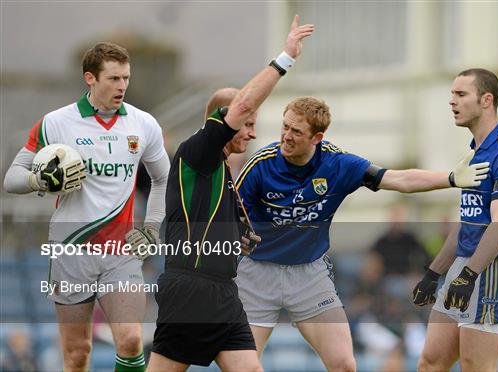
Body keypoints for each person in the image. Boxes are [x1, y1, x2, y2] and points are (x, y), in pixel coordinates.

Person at [234, 95, 491, 371]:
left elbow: (398, 179)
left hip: (309, 277)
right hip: (258, 274)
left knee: (345, 365)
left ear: (316, 137)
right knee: (244, 367)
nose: (286, 136)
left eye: (296, 131)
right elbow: (227, 212)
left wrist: (450, 178)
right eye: (285, 126)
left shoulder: (338, 164)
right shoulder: (261, 165)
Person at [147, 15, 314, 372]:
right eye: (248, 124)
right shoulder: (198, 152)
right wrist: (285, 58)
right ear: (221, 121)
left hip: (223, 292)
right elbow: (240, 105)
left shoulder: (220, 167)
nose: (252, 133)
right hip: (190, 291)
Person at [3, 42, 170, 371]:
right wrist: (39, 181)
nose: (122, 86)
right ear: (90, 78)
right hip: (71, 251)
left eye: (126, 78)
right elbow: (12, 178)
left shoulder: (143, 123)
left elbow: (163, 179)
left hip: (120, 253)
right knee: (77, 353)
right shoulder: (56, 123)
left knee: (132, 339)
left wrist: (151, 228)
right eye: (113, 78)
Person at [412, 68, 498, 372]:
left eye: (461, 94)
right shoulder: (473, 154)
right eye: (452, 94)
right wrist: (434, 272)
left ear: (486, 100)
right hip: (464, 266)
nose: (452, 101)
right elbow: (468, 221)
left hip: (490, 271)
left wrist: (469, 275)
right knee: (430, 363)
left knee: (476, 367)